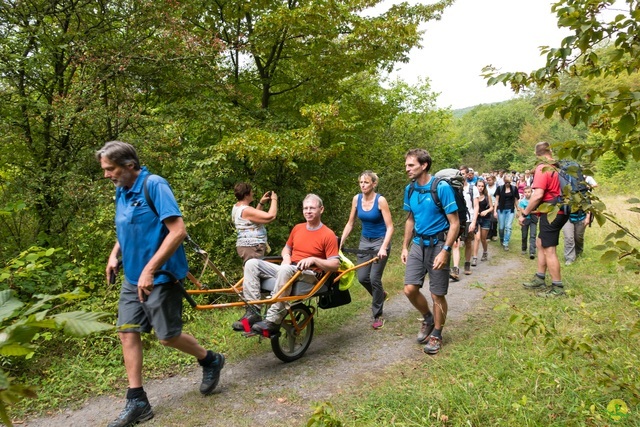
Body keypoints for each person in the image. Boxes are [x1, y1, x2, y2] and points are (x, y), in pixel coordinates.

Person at [96, 141, 225, 427]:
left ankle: (210, 359)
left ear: (130, 165)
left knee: (167, 337)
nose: (107, 175)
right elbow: (127, 227)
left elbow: (178, 231)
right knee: (127, 332)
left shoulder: (154, 185)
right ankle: (137, 401)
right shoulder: (122, 190)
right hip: (133, 278)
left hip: (161, 277)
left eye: (111, 169)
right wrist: (114, 254)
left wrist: (151, 269)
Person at [233, 194, 340, 335]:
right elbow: (287, 248)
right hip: (289, 268)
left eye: (312, 208)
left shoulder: (328, 234)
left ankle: (272, 320)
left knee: (286, 270)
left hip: (310, 275)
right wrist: (286, 256)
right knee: (251, 263)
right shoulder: (298, 228)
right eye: (305, 208)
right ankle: (254, 311)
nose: (308, 211)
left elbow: (335, 264)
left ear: (321, 209)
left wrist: (314, 260)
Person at [402, 149, 459, 355]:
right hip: (418, 244)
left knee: (437, 293)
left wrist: (445, 251)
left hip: (438, 244)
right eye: (407, 165)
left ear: (424, 165)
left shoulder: (441, 187)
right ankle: (427, 318)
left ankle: (437, 333)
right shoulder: (409, 189)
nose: (407, 169)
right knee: (409, 289)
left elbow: (455, 223)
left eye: (411, 165)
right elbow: (410, 219)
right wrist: (404, 247)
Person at [340, 171, 394, 329]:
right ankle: (381, 295)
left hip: (380, 241)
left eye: (366, 182)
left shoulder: (381, 200)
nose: (363, 185)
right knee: (362, 277)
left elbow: (390, 227)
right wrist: (340, 241)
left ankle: (378, 315)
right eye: (361, 182)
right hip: (365, 241)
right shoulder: (356, 199)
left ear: (374, 184)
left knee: (374, 278)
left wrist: (383, 247)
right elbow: (350, 223)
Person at [519, 141, 569, 297]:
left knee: (549, 249)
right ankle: (540, 277)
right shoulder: (557, 166)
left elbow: (538, 195)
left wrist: (525, 213)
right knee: (541, 242)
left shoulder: (543, 168)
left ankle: (557, 287)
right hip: (561, 210)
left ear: (536, 154)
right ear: (550, 152)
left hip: (552, 211)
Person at [232, 182, 278, 264]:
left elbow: (255, 218)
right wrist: (274, 199)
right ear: (246, 195)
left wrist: (261, 203)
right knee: (254, 273)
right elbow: (271, 216)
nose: (252, 193)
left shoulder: (237, 207)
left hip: (248, 247)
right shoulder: (246, 210)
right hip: (252, 247)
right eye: (251, 192)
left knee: (253, 272)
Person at [561, 175, 597, 265]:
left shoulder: (584, 192)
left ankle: (579, 253)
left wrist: (588, 218)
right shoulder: (565, 191)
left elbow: (588, 205)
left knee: (578, 238)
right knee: (569, 237)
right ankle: (569, 258)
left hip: (581, 217)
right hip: (567, 217)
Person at [494, 173, 518, 251]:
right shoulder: (500, 188)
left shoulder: (514, 189)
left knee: (508, 227)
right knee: (501, 227)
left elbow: (516, 200)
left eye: (509, 182)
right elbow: (496, 200)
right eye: (506, 182)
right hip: (501, 209)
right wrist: (495, 211)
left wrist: (518, 210)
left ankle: (506, 243)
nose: (507, 184)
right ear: (504, 181)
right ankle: (501, 238)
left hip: (510, 210)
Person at [474, 179, 494, 262]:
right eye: (479, 186)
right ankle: (475, 257)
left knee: (483, 238)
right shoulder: (474, 196)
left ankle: (485, 252)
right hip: (477, 219)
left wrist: (486, 211)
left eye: (482, 186)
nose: (480, 188)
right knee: (477, 238)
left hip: (486, 219)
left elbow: (491, 207)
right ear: (476, 186)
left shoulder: (487, 196)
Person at [517, 186, 538, 259]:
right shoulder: (522, 201)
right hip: (525, 220)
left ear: (531, 192)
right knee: (524, 235)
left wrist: (528, 211)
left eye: (529, 192)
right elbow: (521, 210)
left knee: (533, 235)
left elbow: (538, 211)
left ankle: (532, 251)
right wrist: (520, 218)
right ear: (523, 193)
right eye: (525, 192)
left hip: (533, 220)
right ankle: (524, 248)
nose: (527, 194)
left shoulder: (535, 201)